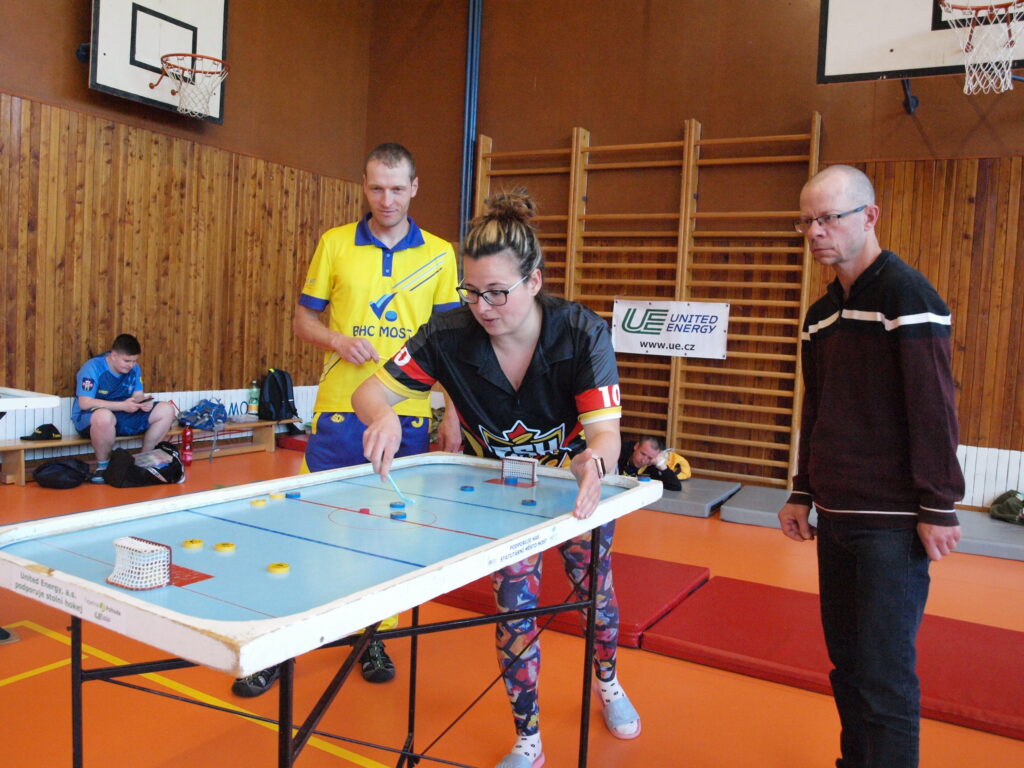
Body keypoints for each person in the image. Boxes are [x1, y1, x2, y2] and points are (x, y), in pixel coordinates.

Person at [354, 190, 640, 768]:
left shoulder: (582, 332)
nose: (483, 307)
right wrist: (382, 415)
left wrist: (594, 463)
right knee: (513, 613)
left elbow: (606, 436)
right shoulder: (446, 335)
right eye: (472, 291)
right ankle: (528, 738)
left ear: (534, 281)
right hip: (500, 496)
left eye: (497, 293)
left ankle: (608, 680)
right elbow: (368, 392)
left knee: (596, 594)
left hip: (576, 487)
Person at [231, 143, 461, 697]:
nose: (387, 199)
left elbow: (454, 344)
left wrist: (453, 413)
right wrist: (336, 339)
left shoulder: (440, 254)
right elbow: (303, 320)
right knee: (309, 528)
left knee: (387, 535)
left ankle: (371, 637)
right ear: (364, 185)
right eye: (376, 188)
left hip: (408, 416)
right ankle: (281, 644)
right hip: (338, 408)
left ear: (415, 188)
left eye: (397, 189)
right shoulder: (335, 243)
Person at [778, 165, 964, 768]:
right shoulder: (820, 315)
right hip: (836, 518)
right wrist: (801, 492)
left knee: (885, 676)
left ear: (870, 217)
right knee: (849, 666)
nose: (815, 232)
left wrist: (938, 505)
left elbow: (934, 409)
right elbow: (816, 412)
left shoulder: (909, 298)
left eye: (828, 218)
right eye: (807, 221)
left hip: (892, 525)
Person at [71, 334, 174, 483]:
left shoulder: (134, 369)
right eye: (127, 361)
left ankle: (144, 462)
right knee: (104, 417)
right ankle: (103, 467)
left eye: (134, 361)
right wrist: (122, 406)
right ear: (113, 356)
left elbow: (137, 394)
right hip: (91, 417)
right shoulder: (92, 367)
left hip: (123, 414)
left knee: (166, 409)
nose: (131, 365)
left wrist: (143, 402)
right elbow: (85, 403)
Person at [617, 434, 684, 491]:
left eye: (649, 458)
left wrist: (661, 465)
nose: (643, 460)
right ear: (636, 446)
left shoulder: (653, 464)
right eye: (642, 454)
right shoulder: (619, 450)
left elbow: (676, 486)